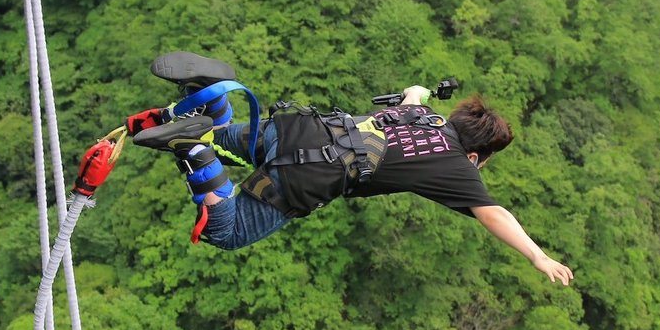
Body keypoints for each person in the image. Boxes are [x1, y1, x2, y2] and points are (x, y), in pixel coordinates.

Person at [127, 75, 573, 286]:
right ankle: (196, 151)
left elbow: (415, 95)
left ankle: (210, 99)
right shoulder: (456, 166)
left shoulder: (424, 116)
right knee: (228, 231)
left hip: (299, 128)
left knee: (224, 135)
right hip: (311, 175)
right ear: (475, 155)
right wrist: (538, 256)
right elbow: (494, 213)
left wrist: (416, 91)